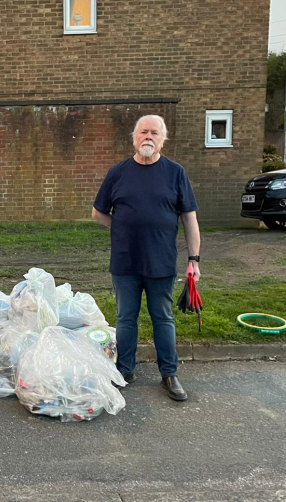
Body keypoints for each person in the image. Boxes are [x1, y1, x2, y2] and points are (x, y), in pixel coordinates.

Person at [92, 115, 200, 401]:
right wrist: (122, 226)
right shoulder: (118, 172)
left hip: (161, 261)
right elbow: (98, 212)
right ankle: (125, 370)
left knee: (162, 317)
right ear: (134, 138)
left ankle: (169, 373)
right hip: (125, 262)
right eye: (143, 132)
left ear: (163, 139)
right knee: (126, 318)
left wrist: (194, 259)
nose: (148, 137)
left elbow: (189, 219)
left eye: (154, 133)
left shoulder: (176, 173)